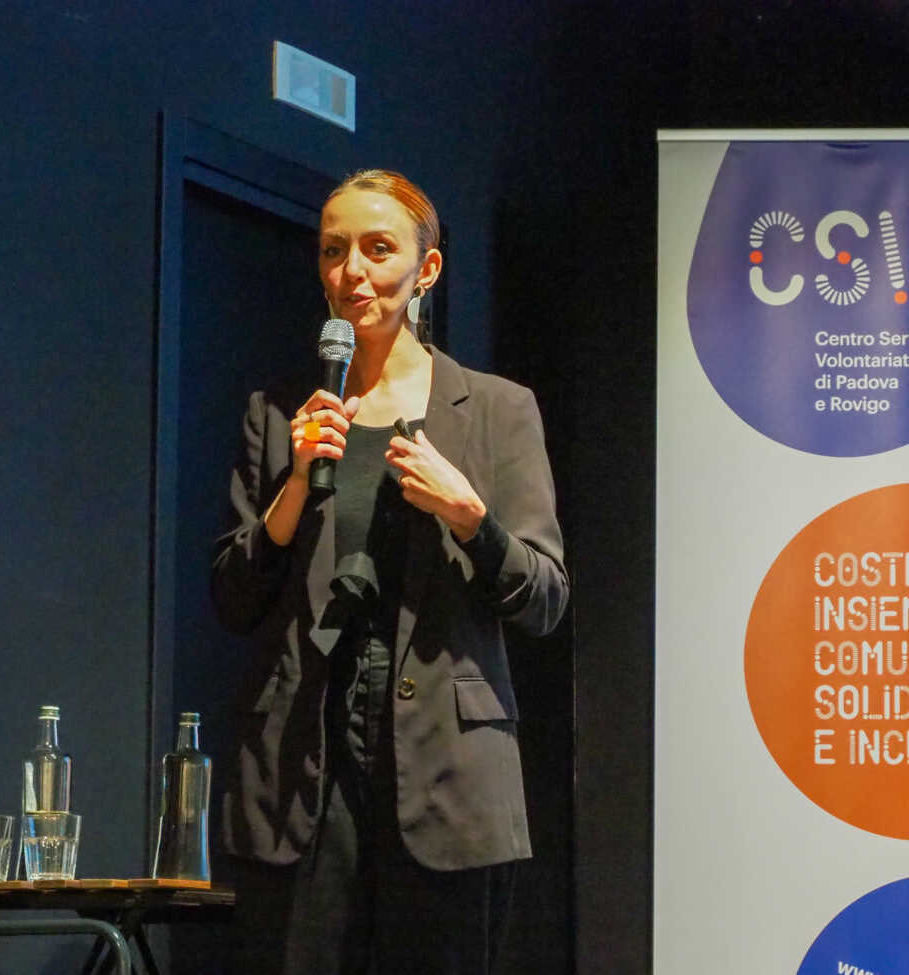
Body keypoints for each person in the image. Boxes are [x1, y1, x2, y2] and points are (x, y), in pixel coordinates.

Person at [210, 169, 568, 974]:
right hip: (304, 765)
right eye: (333, 251)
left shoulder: (498, 410)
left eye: (378, 249)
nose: (352, 273)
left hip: (447, 773)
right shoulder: (279, 413)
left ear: (426, 269)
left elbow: (545, 599)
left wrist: (471, 517)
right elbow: (232, 596)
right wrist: (294, 486)